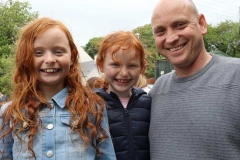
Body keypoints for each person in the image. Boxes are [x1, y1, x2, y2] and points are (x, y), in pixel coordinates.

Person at [0, 17, 116, 160]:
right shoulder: (10, 113)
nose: (49, 60)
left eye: (58, 51)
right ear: (26, 58)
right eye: (38, 53)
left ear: (72, 56)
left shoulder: (92, 107)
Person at [149, 0, 240, 159]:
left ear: (202, 24)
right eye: (160, 31)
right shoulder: (156, 92)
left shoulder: (236, 77)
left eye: (180, 25)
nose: (170, 38)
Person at [94, 31, 151, 160]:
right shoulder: (93, 105)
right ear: (101, 65)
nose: (124, 73)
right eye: (115, 64)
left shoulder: (148, 103)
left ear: (142, 67)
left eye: (132, 65)